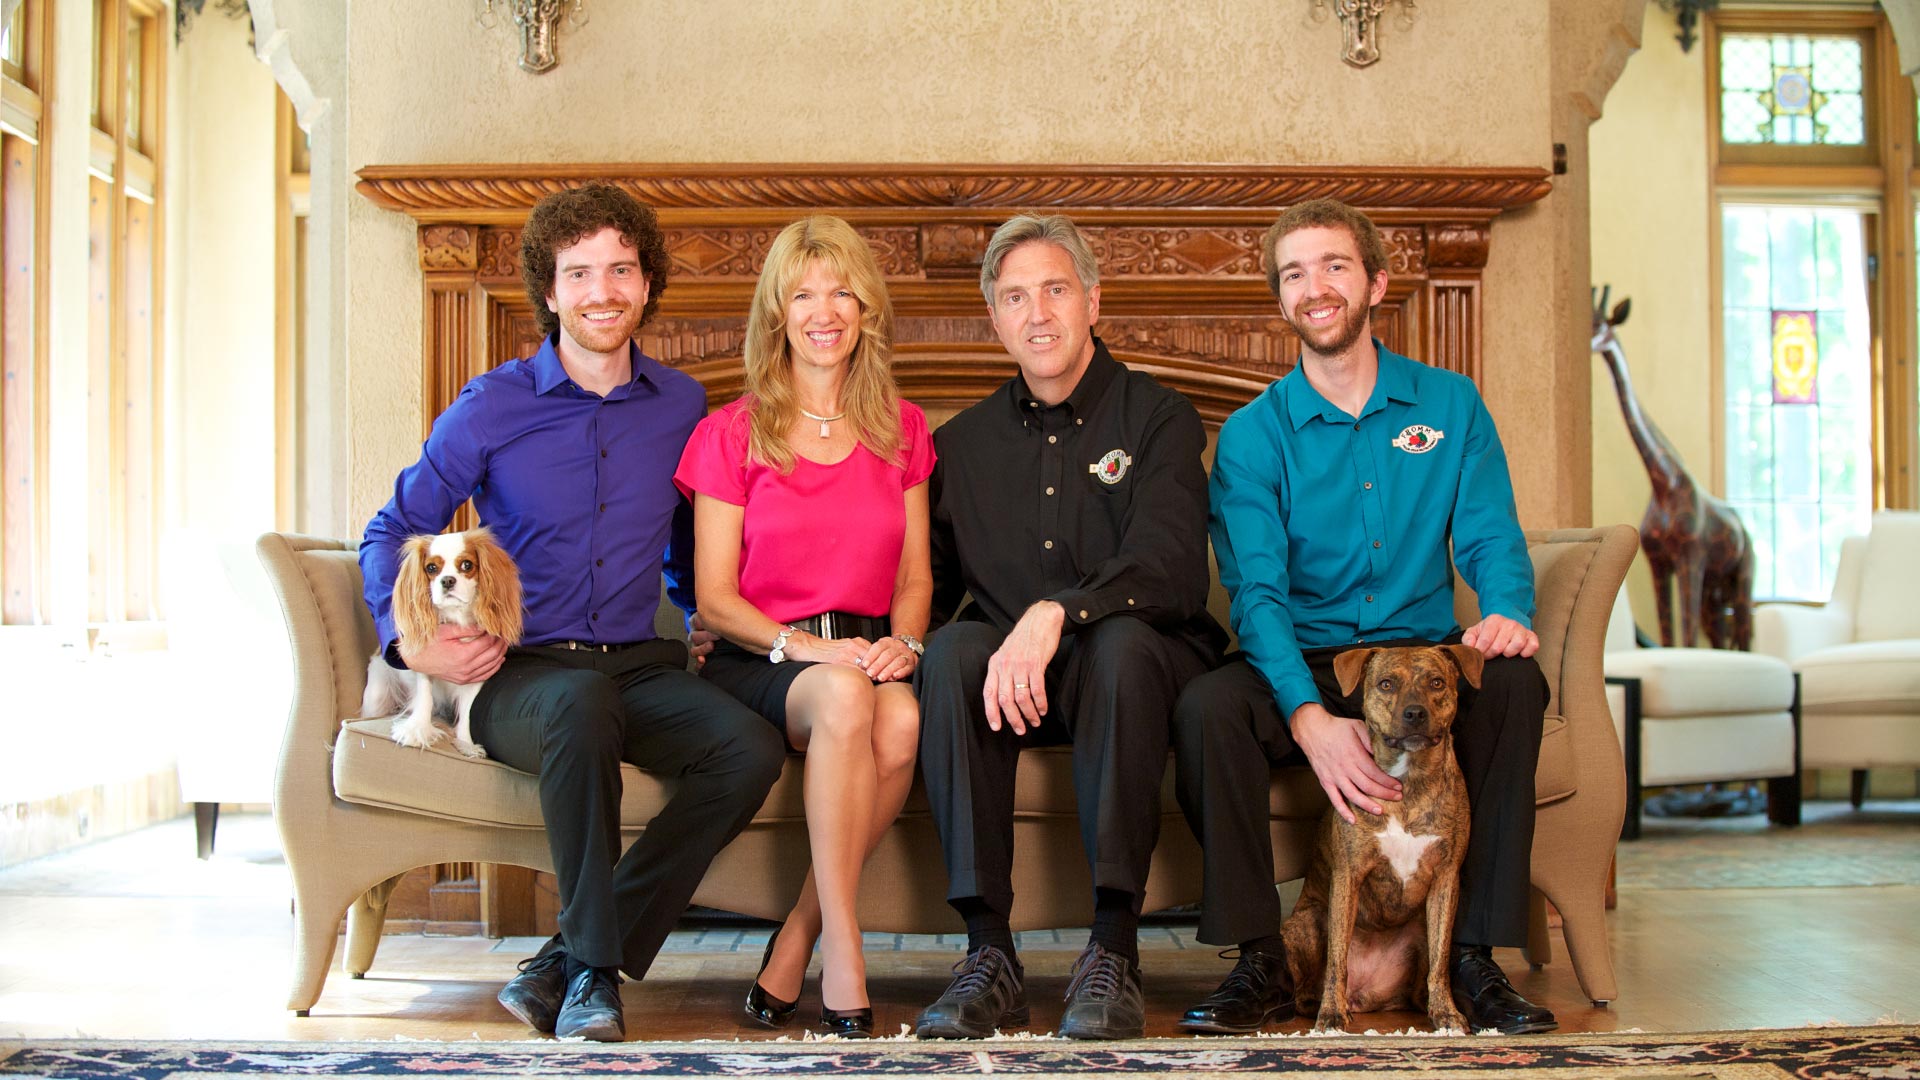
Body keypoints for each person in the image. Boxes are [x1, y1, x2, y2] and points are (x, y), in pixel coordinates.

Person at [358, 183, 786, 1043]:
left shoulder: (679, 407)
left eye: (621, 269)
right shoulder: (491, 405)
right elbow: (392, 527)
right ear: (549, 292)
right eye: (580, 272)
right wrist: (411, 649)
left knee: (746, 748)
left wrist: (699, 608)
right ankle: (593, 974)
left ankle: (566, 957)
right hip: (521, 671)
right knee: (578, 704)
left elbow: (681, 541)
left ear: (645, 283)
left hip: (637, 660)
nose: (603, 290)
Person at [1170, 197, 1556, 1036]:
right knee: (1208, 710)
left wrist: (1505, 612)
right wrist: (1309, 718)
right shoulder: (1251, 436)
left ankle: (1473, 959)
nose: (1316, 288)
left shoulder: (1449, 406)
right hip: (1302, 657)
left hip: (1419, 660)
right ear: (1282, 301)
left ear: (1376, 282)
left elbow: (1490, 533)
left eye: (1334, 266)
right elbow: (1258, 592)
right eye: (1295, 274)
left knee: (1519, 684)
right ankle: (1260, 959)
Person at [911, 214, 1225, 1041]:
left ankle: (1114, 949)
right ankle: (989, 956)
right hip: (1015, 682)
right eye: (1016, 297)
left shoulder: (1159, 417)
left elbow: (1170, 569)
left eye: (1055, 289)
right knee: (948, 654)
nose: (1038, 312)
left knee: (1119, 647)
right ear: (996, 320)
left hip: (1136, 665)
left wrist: (1061, 610)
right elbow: (928, 591)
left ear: (1093, 300)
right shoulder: (963, 445)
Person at [673, 215, 934, 1039]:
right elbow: (715, 598)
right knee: (852, 701)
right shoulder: (729, 434)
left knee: (900, 718)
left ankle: (798, 932)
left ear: (865, 309)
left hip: (864, 650)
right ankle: (847, 950)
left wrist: (909, 641)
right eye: (802, 294)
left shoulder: (903, 429)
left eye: (841, 292)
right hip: (764, 653)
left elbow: (914, 577)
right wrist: (807, 648)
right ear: (777, 314)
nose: (824, 311)